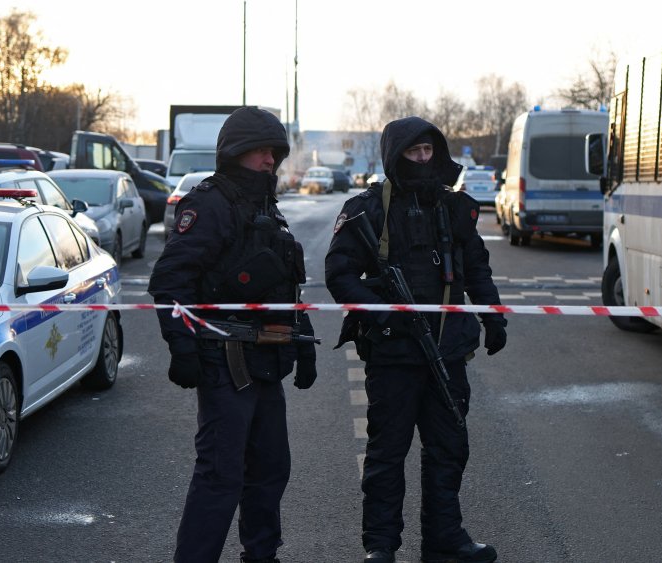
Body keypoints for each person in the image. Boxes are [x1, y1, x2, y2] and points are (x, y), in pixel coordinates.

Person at [325, 117, 508, 563]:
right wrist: (383, 311)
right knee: (387, 453)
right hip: (393, 353)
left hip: (447, 351)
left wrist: (493, 317)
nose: (424, 159)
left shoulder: (455, 208)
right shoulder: (367, 209)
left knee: (448, 449)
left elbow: (477, 268)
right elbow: (339, 274)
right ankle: (381, 545)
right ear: (395, 155)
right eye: (414, 152)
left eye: (429, 150)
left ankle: (445, 538)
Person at [148, 106, 317, 563]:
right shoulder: (211, 203)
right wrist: (182, 348)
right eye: (261, 151)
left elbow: (285, 283)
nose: (270, 160)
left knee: (270, 469)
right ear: (236, 152)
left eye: (275, 152)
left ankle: (261, 556)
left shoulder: (265, 206)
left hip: (267, 360)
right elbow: (170, 282)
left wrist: (304, 341)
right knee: (221, 475)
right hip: (225, 361)